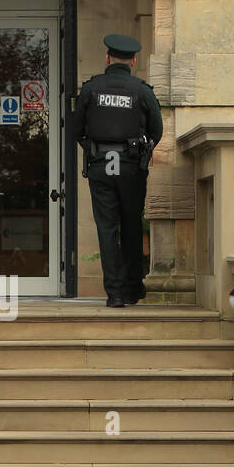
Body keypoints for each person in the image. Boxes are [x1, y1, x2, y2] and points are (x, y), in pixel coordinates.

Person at [70, 34, 164, 307]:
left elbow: (76, 129)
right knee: (132, 226)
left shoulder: (91, 89)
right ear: (133, 61)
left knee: (107, 228)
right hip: (132, 167)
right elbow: (157, 130)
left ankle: (114, 294)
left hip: (101, 166)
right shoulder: (142, 91)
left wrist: (95, 148)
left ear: (108, 59)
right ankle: (133, 288)